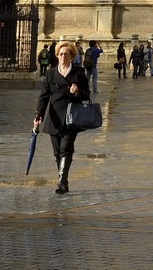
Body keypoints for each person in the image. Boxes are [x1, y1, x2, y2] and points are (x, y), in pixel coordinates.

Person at [34, 40, 92, 194]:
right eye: (61, 54)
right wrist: (38, 115)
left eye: (66, 54)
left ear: (72, 56)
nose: (63, 57)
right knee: (57, 152)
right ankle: (63, 178)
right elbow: (43, 97)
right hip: (54, 117)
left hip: (71, 117)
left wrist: (77, 91)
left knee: (66, 149)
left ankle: (62, 182)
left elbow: (87, 96)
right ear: (57, 56)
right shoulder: (51, 73)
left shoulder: (79, 73)